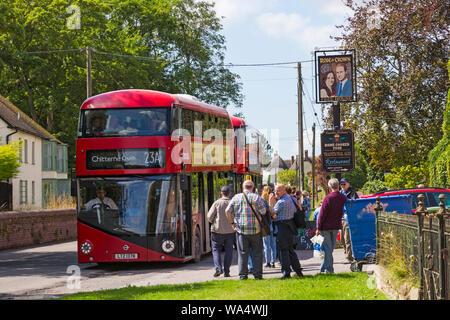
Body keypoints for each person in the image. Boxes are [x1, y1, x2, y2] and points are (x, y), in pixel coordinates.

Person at [226, 180, 267, 280]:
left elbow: (227, 211)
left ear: (243, 187)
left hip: (241, 231)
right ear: (252, 188)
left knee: (243, 254)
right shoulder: (257, 197)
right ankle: (257, 275)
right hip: (255, 230)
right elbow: (263, 211)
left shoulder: (236, 197)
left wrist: (232, 223)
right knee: (257, 253)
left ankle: (243, 275)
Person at [269, 184, 303, 279]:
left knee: (283, 250)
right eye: (275, 191)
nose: (276, 193)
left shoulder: (281, 202)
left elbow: (273, 214)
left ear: (283, 190)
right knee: (290, 250)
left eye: (277, 191)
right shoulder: (292, 199)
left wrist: (270, 202)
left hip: (282, 227)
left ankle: (286, 273)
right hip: (291, 227)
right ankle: (298, 270)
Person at [316, 178, 348, 273]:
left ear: (329, 187)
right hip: (336, 226)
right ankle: (323, 269)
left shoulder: (328, 198)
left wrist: (318, 227)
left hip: (325, 227)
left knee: (327, 249)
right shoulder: (343, 198)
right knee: (329, 250)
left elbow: (322, 215)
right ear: (338, 186)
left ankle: (329, 270)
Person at [207, 186, 235, 278]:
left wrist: (213, 222)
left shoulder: (217, 203)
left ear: (221, 193)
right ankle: (227, 272)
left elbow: (209, 216)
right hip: (230, 231)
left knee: (216, 250)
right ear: (229, 193)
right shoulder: (233, 202)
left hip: (217, 230)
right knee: (229, 251)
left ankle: (218, 268)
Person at [340, 177, 359, 262]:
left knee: (347, 238)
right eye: (341, 184)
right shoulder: (340, 193)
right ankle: (346, 253)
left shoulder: (352, 193)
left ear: (348, 184)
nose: (342, 185)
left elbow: (356, 204)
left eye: (344, 184)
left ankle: (349, 257)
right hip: (341, 218)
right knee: (342, 239)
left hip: (348, 218)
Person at [261, 186, 277, 268]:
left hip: (265, 224)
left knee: (266, 244)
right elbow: (274, 212)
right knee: (273, 243)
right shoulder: (274, 199)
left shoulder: (261, 200)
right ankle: (273, 261)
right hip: (273, 224)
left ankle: (268, 262)